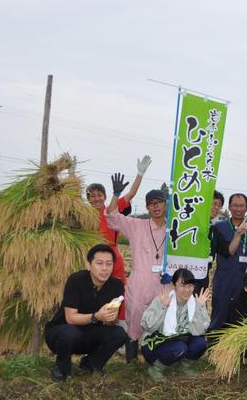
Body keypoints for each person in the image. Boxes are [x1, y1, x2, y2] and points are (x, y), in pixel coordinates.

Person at [45, 244, 128, 382]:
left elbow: (111, 322)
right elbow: (70, 318)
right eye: (99, 263)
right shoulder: (76, 280)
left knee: (119, 334)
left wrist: (110, 318)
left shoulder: (116, 286)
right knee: (69, 332)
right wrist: (96, 316)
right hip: (61, 333)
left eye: (109, 264)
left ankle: (91, 364)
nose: (104, 268)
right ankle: (62, 367)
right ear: (89, 264)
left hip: (91, 333)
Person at [85, 155, 151, 324]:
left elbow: (132, 193)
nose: (96, 198)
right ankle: (94, 324)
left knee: (118, 291)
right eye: (92, 196)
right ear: (87, 199)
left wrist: (140, 173)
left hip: (113, 255)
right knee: (92, 291)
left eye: (99, 195)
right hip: (92, 258)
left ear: (105, 196)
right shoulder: (83, 215)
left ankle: (119, 325)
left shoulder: (113, 209)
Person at [105, 184, 167, 362]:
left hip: (164, 283)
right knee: (134, 319)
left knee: (161, 320)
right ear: (147, 207)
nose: (155, 206)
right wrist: (116, 195)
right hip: (140, 280)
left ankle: (156, 360)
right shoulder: (136, 225)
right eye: (151, 203)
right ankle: (131, 361)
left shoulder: (173, 229)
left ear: (165, 204)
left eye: (159, 202)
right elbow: (111, 216)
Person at [140, 269, 211, 381]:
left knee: (201, 343)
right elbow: (147, 325)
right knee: (179, 347)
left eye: (190, 286)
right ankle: (156, 368)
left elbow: (199, 331)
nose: (187, 290)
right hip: (154, 345)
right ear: (174, 285)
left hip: (179, 342)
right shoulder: (164, 300)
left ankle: (183, 367)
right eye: (182, 286)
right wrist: (163, 307)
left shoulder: (195, 303)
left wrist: (200, 307)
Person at [209, 193, 247, 331]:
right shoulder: (219, 227)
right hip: (223, 278)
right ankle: (214, 346)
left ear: (246, 208)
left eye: (241, 206)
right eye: (235, 205)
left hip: (245, 279)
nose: (238, 209)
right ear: (229, 207)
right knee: (219, 314)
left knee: (242, 316)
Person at [195, 190, 225, 294]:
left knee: (201, 307)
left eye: (219, 205)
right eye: (213, 203)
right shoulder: (193, 224)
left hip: (204, 275)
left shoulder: (214, 229)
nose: (216, 208)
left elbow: (226, 250)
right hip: (187, 275)